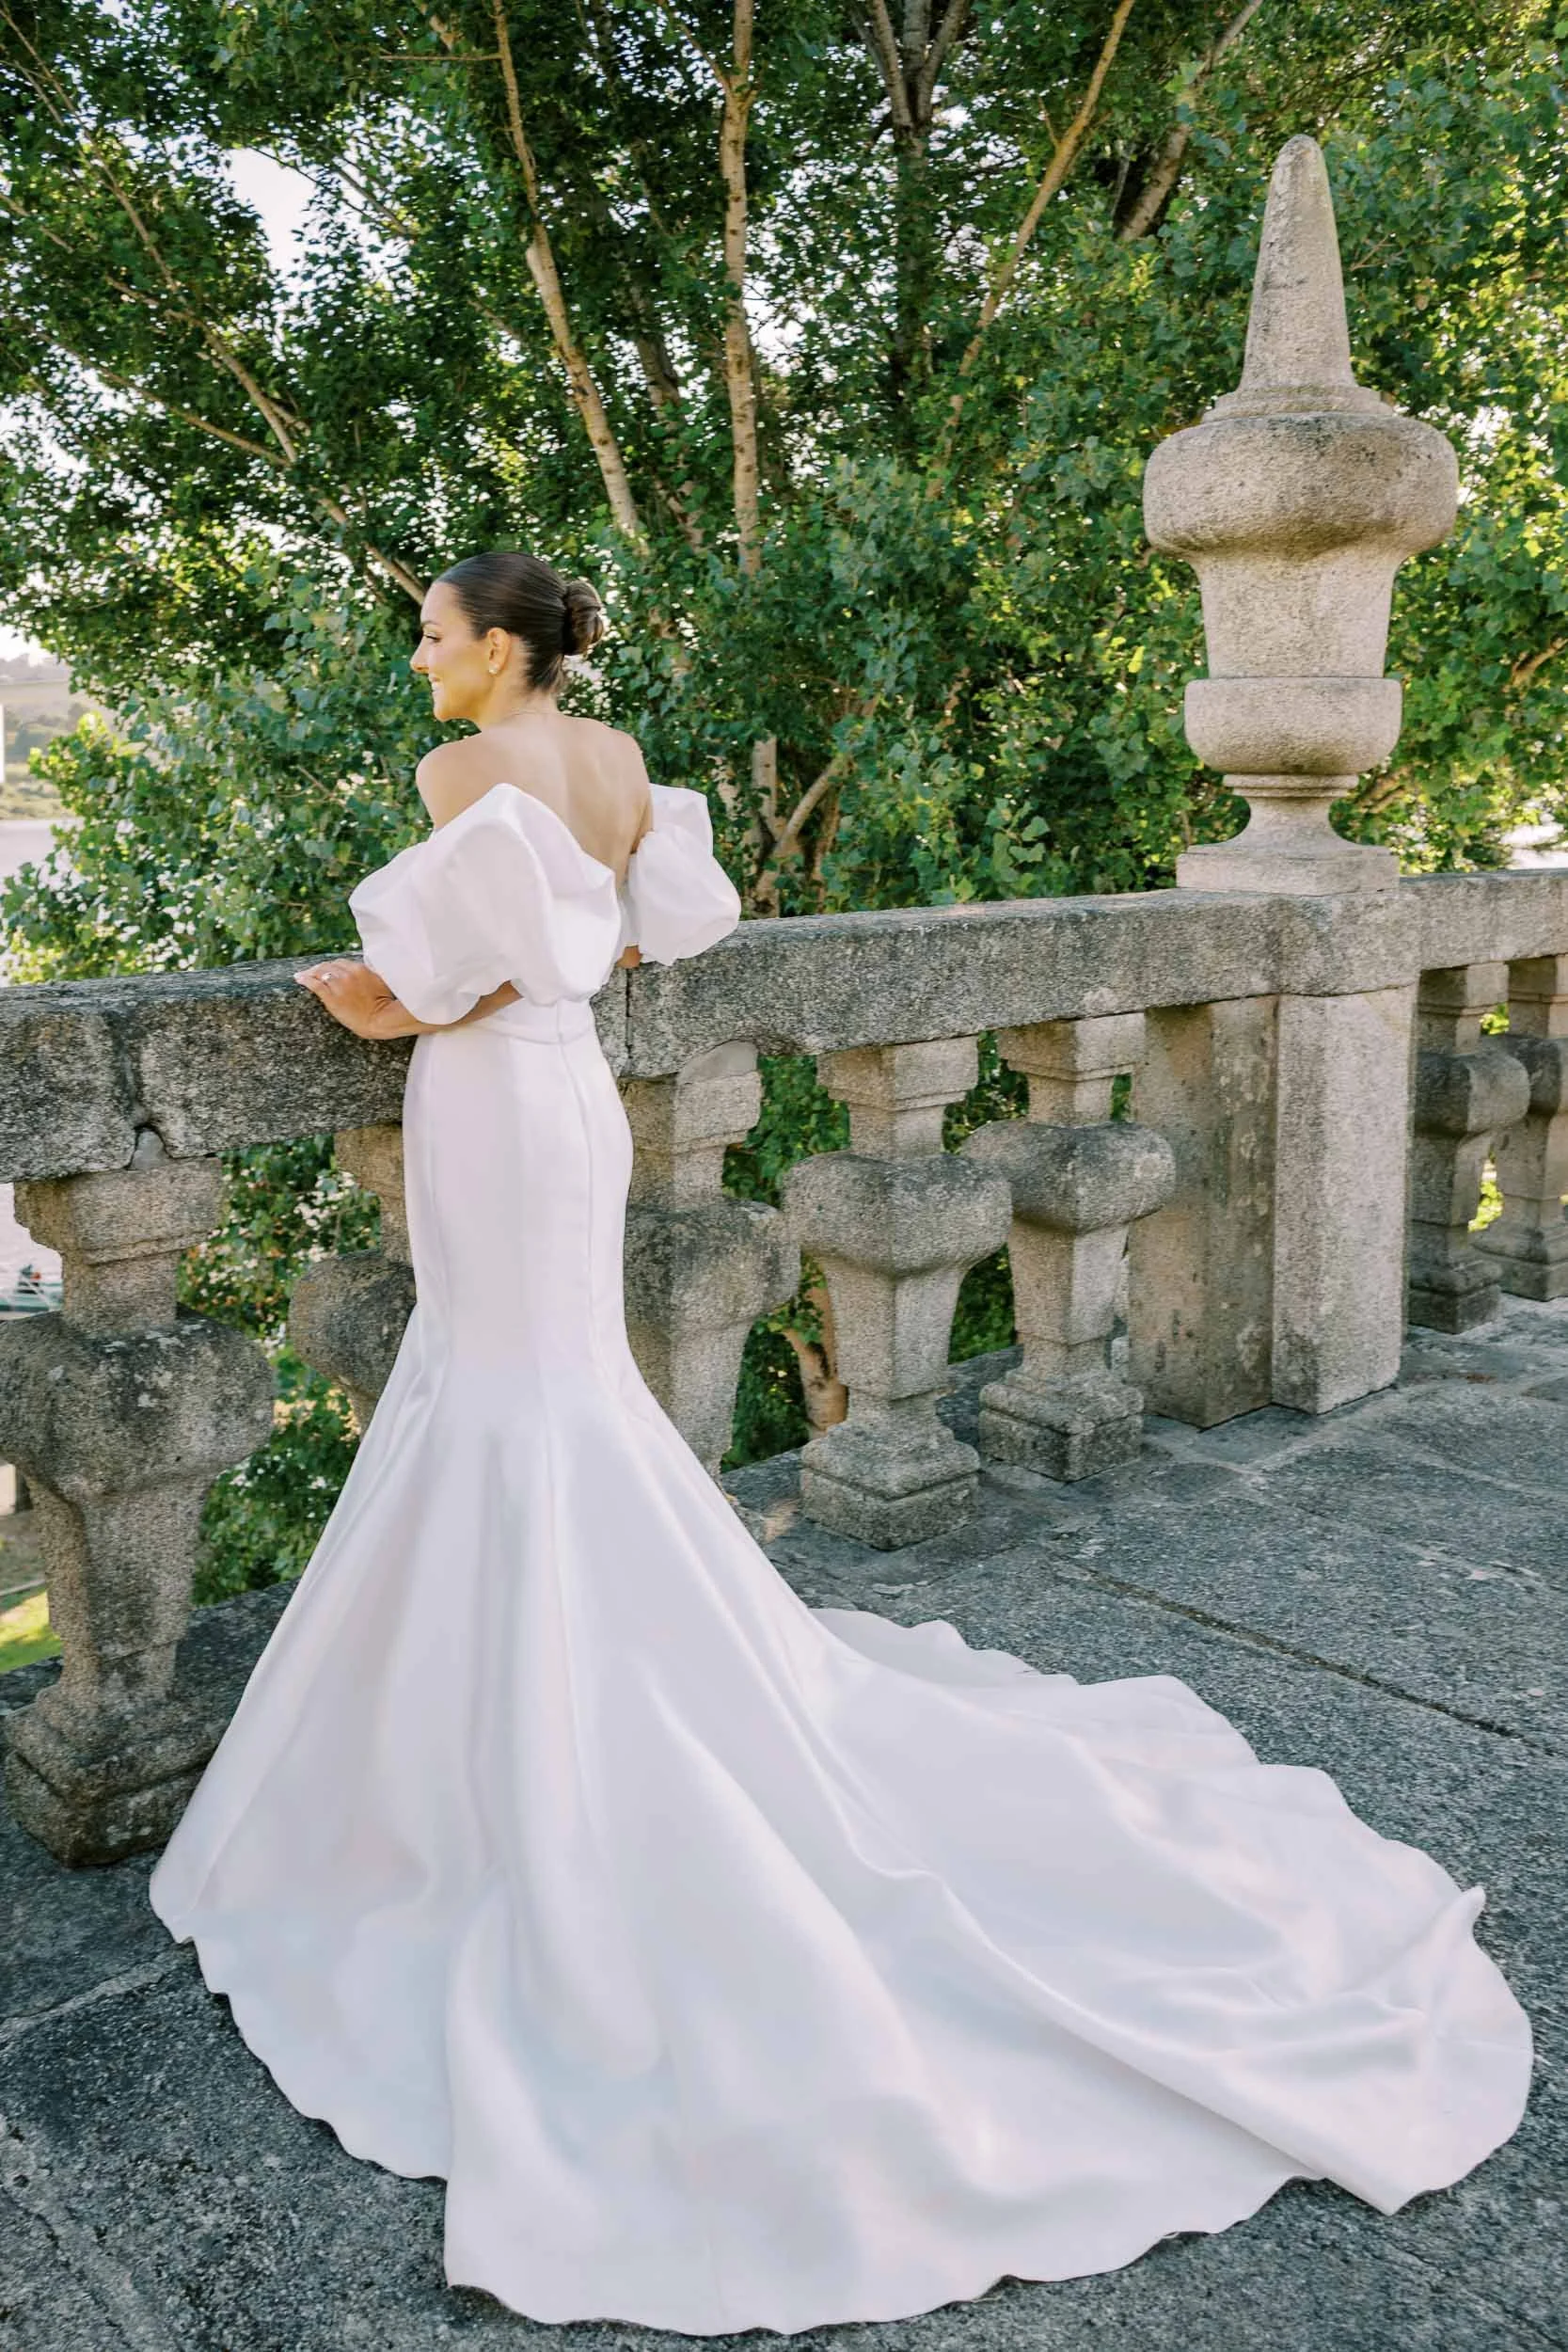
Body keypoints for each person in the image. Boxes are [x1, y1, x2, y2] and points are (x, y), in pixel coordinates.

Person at [149, 549, 1534, 2338]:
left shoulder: (459, 771)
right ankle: (587, 1673)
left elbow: (449, 980)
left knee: (501, 1391)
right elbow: (636, 931)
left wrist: (360, 999)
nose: (418, 661)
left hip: (496, 1098)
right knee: (550, 1388)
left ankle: (496, 1737)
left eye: (431, 635)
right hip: (574, 1098)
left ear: (497, 652)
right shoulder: (625, 755)